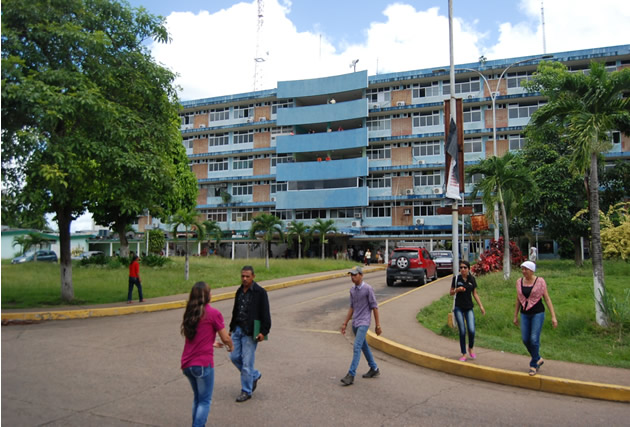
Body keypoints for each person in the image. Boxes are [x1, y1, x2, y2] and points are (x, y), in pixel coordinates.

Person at [181, 282, 233, 427]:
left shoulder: (190, 313)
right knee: (205, 401)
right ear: (206, 296)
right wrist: (231, 345)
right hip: (203, 364)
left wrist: (211, 343)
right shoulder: (213, 313)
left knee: (198, 399)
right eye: (210, 292)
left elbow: (196, 337)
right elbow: (225, 337)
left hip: (187, 363)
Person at [229, 266, 271, 402]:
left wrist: (263, 332)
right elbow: (235, 311)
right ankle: (254, 375)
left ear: (253, 276)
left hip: (250, 332)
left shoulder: (260, 292)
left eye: (247, 276)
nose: (245, 279)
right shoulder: (239, 291)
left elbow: (266, 314)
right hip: (237, 329)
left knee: (247, 363)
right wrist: (231, 328)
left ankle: (246, 391)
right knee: (234, 357)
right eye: (243, 276)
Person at [513, 261, 558, 376]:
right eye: (522, 269)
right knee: (525, 339)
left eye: (526, 269)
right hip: (524, 313)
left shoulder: (540, 281)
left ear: (532, 270)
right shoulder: (519, 282)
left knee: (534, 339)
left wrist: (553, 316)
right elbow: (518, 299)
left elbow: (547, 299)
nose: (523, 272)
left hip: (538, 313)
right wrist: (515, 316)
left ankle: (533, 364)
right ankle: (538, 358)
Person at [340, 266, 382, 386]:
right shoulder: (352, 290)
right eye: (351, 275)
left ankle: (351, 374)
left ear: (361, 275)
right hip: (355, 323)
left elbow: (375, 307)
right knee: (364, 346)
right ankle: (374, 368)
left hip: (364, 322)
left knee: (357, 346)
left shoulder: (368, 289)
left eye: (355, 275)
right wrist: (345, 323)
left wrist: (378, 325)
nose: (353, 277)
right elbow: (352, 307)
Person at [450, 260, 485, 361]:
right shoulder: (456, 279)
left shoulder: (472, 279)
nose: (463, 269)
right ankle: (464, 353)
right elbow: (451, 292)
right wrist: (457, 290)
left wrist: (481, 306)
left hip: (469, 307)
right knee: (462, 331)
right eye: (461, 268)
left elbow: (475, 294)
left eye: (465, 267)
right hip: (458, 308)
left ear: (468, 269)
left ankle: (470, 348)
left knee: (471, 330)